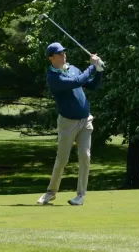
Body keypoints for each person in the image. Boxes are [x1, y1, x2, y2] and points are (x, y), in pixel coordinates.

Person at [37, 42, 104, 206]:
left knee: (85, 156)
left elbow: (92, 85)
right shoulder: (53, 78)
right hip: (67, 123)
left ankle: (81, 196)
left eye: (64, 53)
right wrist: (92, 66)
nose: (63, 55)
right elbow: (76, 82)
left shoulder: (72, 68)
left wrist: (99, 71)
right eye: (59, 54)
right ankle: (50, 193)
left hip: (85, 120)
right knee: (62, 159)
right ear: (51, 58)